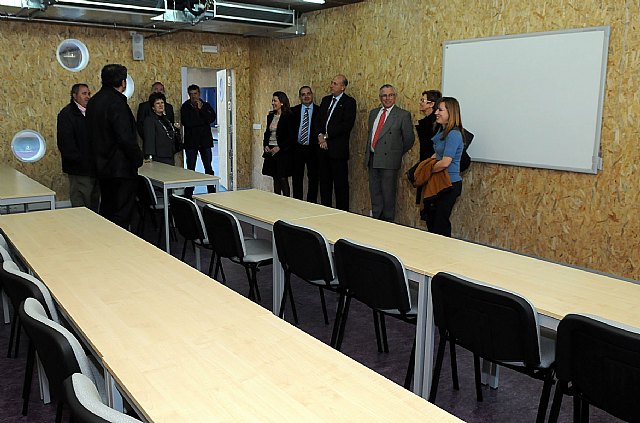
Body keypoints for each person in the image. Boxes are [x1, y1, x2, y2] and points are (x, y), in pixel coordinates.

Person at [87, 64, 144, 229]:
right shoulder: (117, 103)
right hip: (120, 169)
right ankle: (121, 250)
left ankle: (108, 248)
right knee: (122, 215)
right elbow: (125, 138)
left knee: (107, 211)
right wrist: (137, 159)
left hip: (101, 167)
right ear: (123, 82)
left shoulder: (94, 102)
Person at [364, 84, 415, 222]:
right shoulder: (374, 113)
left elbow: (409, 139)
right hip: (373, 159)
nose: (387, 98)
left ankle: (387, 224)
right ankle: (375, 220)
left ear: (395, 96)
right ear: (380, 97)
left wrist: (394, 152)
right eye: (384, 95)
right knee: (375, 193)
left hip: (389, 161)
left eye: (390, 95)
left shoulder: (403, 115)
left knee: (388, 195)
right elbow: (371, 135)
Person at [57, 83, 100, 212]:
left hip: (95, 167)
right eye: (84, 94)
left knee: (94, 202)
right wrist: (80, 160)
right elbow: (65, 143)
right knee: (81, 203)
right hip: (79, 168)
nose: (87, 97)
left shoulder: (93, 113)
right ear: (74, 95)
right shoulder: (67, 114)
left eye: (89, 94)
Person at [425, 97, 465, 237]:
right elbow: (436, 155)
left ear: (451, 112)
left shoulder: (454, 134)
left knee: (440, 224)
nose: (436, 112)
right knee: (432, 221)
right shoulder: (441, 132)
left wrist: (426, 171)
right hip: (440, 182)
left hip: (449, 184)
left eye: (440, 110)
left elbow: (445, 162)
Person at [316, 74, 357, 211]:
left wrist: (327, 137)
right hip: (323, 149)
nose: (331, 86)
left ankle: (342, 214)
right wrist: (320, 136)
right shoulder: (326, 100)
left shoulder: (349, 102)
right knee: (325, 184)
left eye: (335, 83)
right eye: (332, 83)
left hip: (338, 151)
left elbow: (346, 125)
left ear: (343, 87)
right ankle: (325, 211)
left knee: (340, 186)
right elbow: (319, 121)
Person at [180, 84, 217, 197]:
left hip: (205, 141)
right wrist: (202, 121)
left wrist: (201, 111)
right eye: (191, 94)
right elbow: (187, 122)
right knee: (191, 168)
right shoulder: (185, 107)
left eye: (195, 94)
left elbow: (211, 119)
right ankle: (189, 193)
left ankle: (211, 192)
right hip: (191, 142)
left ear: (199, 94)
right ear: (188, 95)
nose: (193, 96)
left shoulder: (205, 105)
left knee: (208, 168)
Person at [262, 91, 295, 196]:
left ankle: (286, 203)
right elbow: (267, 133)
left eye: (275, 100)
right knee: (275, 177)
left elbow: (291, 137)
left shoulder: (288, 116)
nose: (273, 103)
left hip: (283, 152)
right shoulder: (271, 116)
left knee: (282, 177)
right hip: (271, 150)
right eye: (272, 100)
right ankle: (276, 202)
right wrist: (265, 145)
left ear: (281, 102)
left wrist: (279, 147)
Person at [290, 86, 320, 202]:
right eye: (303, 94)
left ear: (312, 95)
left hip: (313, 149)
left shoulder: (319, 110)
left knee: (313, 178)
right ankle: (297, 203)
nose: (306, 96)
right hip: (297, 149)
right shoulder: (293, 111)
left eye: (308, 94)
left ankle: (311, 204)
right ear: (300, 97)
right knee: (297, 178)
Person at [415, 89, 441, 204]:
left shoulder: (437, 125)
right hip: (425, 163)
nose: (420, 102)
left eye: (423, 100)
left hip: (433, 166)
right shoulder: (425, 122)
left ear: (431, 104)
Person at [143, 92, 180, 165]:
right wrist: (149, 156)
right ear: (153, 107)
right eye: (157, 103)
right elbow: (149, 139)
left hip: (170, 154)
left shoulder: (166, 119)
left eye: (162, 103)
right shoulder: (150, 120)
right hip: (158, 156)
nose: (160, 105)